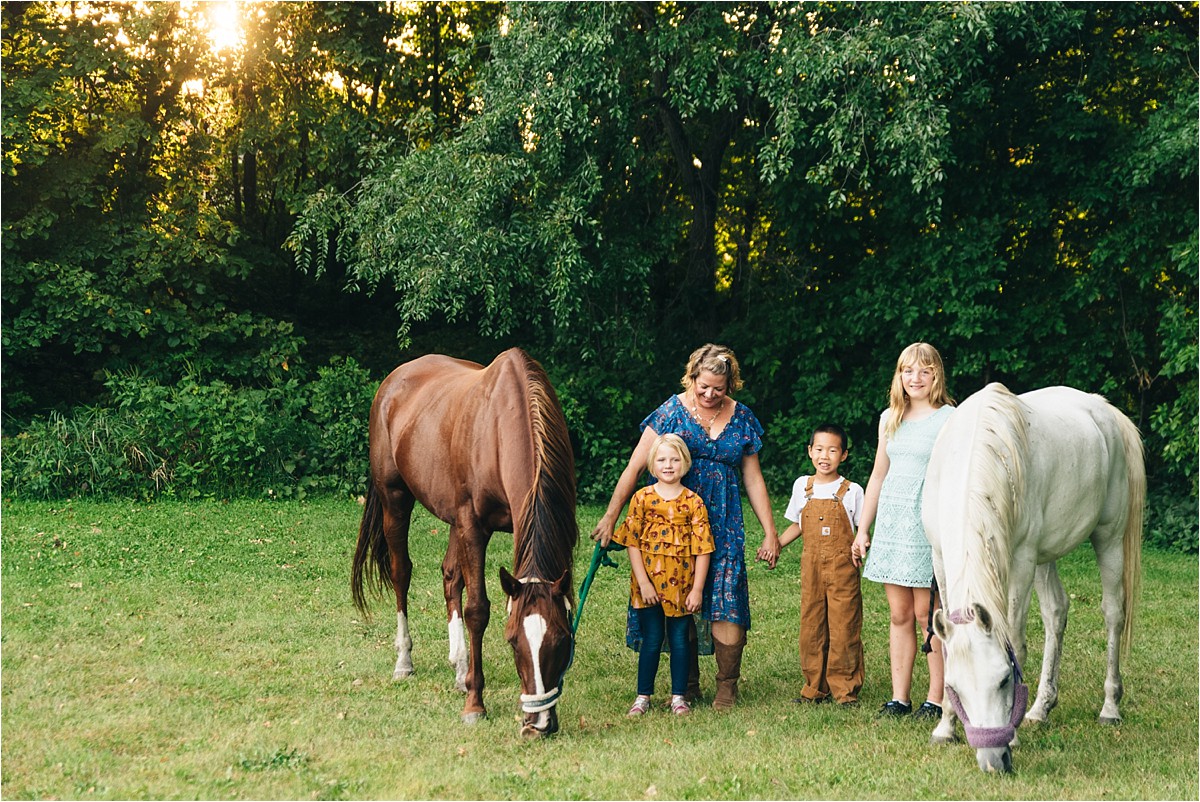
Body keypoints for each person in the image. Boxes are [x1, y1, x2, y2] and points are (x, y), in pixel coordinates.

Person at [592, 343, 780, 710]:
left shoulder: (741, 417)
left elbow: (753, 479)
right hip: (674, 524)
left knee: (727, 596)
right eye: (703, 386)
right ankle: (687, 683)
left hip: (725, 523)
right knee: (680, 596)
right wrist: (611, 515)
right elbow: (635, 468)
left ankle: (727, 685)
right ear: (692, 377)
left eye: (719, 389)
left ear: (731, 385)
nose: (710, 394)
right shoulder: (670, 411)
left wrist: (770, 530)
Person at [851, 342, 955, 719]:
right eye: (908, 371)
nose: (916, 378)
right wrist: (864, 530)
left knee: (929, 614)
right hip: (894, 523)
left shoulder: (948, 419)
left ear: (936, 376)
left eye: (924, 371)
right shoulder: (889, 418)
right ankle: (900, 697)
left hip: (927, 524)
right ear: (899, 376)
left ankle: (937, 697)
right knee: (899, 614)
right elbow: (879, 474)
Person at [614, 434, 715, 717]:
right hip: (648, 586)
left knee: (681, 638)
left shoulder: (693, 502)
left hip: (682, 586)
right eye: (661, 459)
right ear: (652, 464)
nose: (668, 465)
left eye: (674, 459)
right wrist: (643, 583)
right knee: (652, 638)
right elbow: (632, 542)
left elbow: (703, 548)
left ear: (685, 463)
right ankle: (642, 696)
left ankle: (678, 697)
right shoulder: (642, 499)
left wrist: (697, 589)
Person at [777, 423, 865, 706]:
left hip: (843, 569)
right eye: (819, 449)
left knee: (843, 627)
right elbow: (797, 525)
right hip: (811, 567)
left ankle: (844, 690)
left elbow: (862, 531)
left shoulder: (852, 491)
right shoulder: (803, 486)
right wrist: (776, 545)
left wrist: (861, 547)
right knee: (812, 625)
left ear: (844, 455)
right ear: (809, 452)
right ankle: (814, 687)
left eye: (832, 450)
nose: (824, 455)